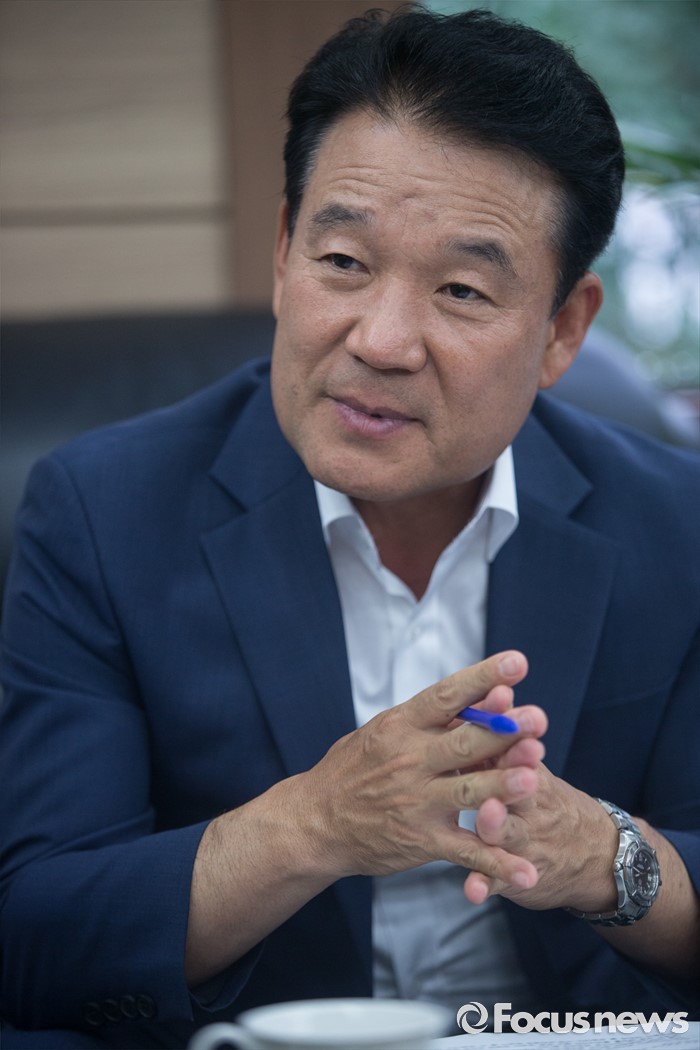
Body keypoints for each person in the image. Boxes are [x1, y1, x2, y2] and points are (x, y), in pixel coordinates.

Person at [1, 7, 699, 1048]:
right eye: (342, 261)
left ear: (563, 330)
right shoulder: (102, 512)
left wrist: (609, 859)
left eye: (460, 288)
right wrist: (314, 826)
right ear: (284, 250)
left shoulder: (676, 522)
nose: (381, 340)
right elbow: (37, 931)